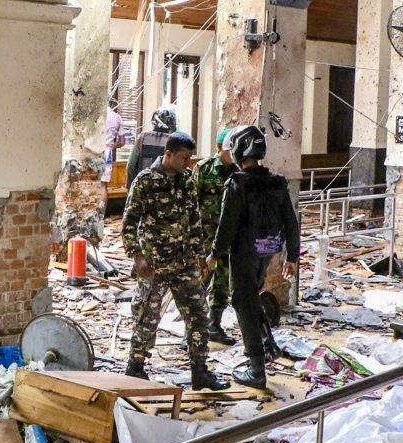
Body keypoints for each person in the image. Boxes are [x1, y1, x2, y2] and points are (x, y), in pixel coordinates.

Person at [121, 131, 231, 391]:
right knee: (146, 318)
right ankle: (135, 368)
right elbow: (128, 223)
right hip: (154, 265)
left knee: (198, 315)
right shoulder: (146, 181)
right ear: (168, 154)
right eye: (183, 158)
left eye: (190, 158)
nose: (187, 163)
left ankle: (200, 371)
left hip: (184, 264)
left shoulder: (186, 180)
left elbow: (194, 221)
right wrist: (137, 257)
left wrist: (200, 257)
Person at [208, 125, 299, 390]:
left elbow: (227, 225)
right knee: (251, 297)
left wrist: (214, 253)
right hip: (268, 251)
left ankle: (256, 369)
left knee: (243, 303)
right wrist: (292, 255)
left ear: (238, 151)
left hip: (244, 253)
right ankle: (267, 344)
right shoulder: (277, 182)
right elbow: (290, 222)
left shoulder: (238, 183)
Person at [191, 128, 239, 345]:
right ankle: (192, 332)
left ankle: (214, 326)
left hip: (228, 237)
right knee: (200, 282)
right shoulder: (204, 168)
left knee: (222, 284)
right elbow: (190, 203)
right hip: (205, 236)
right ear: (219, 148)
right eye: (230, 150)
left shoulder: (238, 172)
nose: (233, 154)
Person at [125, 107, 176, 187]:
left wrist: (130, 186)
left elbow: (131, 166)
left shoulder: (142, 138)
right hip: (166, 188)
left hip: (143, 186)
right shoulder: (174, 141)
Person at [101, 100, 126, 211]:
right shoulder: (117, 117)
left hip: (92, 152)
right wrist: (111, 145)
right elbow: (122, 142)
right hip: (107, 152)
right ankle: (101, 217)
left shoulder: (96, 114)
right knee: (103, 186)